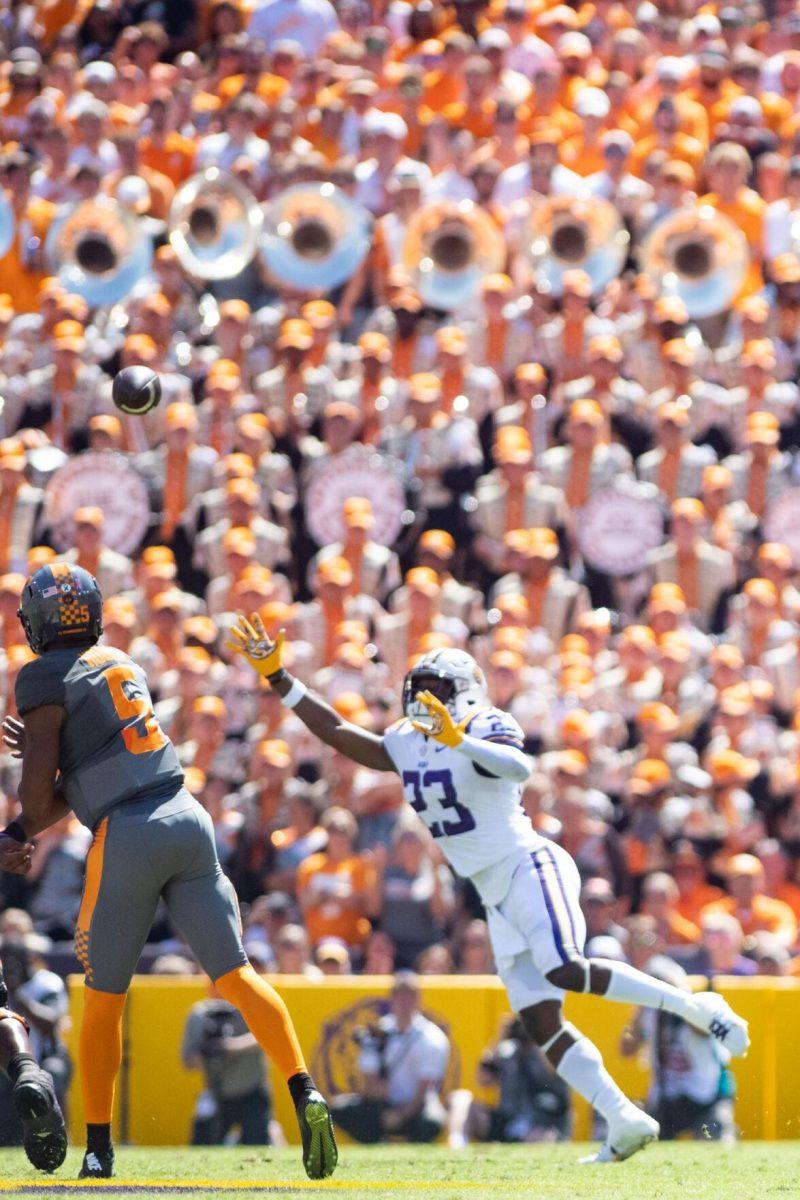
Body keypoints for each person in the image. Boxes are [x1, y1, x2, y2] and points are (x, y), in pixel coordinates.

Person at [230, 614, 750, 1164]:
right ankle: (622, 1118)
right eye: (420, 691)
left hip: (530, 865)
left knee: (564, 967)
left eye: (438, 691)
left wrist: (459, 740)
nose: (426, 701)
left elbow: (519, 767)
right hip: (494, 892)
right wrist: (280, 678)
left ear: (465, 693)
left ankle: (696, 1007)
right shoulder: (407, 740)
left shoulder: (484, 723)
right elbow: (340, 733)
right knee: (540, 1019)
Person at [0, 565, 337, 1180]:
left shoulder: (42, 675)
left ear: (41, 621)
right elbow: (93, 764)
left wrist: (24, 805)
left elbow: (39, 798)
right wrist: (36, 795)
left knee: (103, 999)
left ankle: (99, 1148)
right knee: (236, 975)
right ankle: (305, 1090)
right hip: (187, 815)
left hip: (126, 833)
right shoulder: (122, 662)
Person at [330, 971, 450, 1144]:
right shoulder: (378, 1031)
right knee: (336, 1109)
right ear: (391, 998)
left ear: (418, 999)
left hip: (416, 1107)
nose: (404, 1001)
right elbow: (368, 1084)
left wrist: (400, 1114)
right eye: (399, 995)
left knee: (432, 1121)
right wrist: (378, 1095)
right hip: (381, 1105)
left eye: (409, 995)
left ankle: (412, 1146)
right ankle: (375, 1142)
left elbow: (424, 1090)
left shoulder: (431, 1038)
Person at [181, 989, 272, 1146]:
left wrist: (231, 1046)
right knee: (202, 1147)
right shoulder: (200, 1014)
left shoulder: (253, 1007)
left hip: (252, 1091)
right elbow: (188, 1062)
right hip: (217, 1092)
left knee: (258, 1145)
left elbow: (268, 1036)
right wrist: (207, 1051)